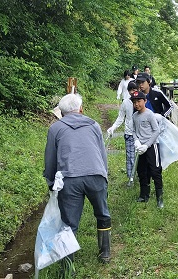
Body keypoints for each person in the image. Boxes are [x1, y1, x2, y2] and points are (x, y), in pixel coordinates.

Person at [43, 93, 112, 268]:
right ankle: (105, 253)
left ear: (61, 112)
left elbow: (50, 159)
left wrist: (51, 182)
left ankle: (68, 267)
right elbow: (101, 152)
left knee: (69, 223)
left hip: (69, 179)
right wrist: (104, 174)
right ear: (81, 109)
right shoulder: (94, 125)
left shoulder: (55, 129)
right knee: (102, 213)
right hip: (96, 175)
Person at [131, 90, 164, 208]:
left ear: (145, 101)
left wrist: (147, 145)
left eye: (139, 101)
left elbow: (156, 131)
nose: (137, 104)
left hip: (152, 146)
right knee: (142, 171)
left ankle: (159, 197)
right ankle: (144, 195)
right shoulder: (134, 116)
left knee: (155, 171)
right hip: (141, 148)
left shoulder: (149, 114)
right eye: (134, 102)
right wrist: (136, 141)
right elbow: (134, 130)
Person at [108, 82, 138, 186]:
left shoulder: (141, 101)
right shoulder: (125, 103)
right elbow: (120, 118)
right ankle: (131, 178)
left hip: (141, 134)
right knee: (130, 156)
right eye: (131, 90)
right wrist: (113, 127)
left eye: (135, 89)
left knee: (140, 157)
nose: (133, 92)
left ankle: (140, 177)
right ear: (128, 91)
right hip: (129, 133)